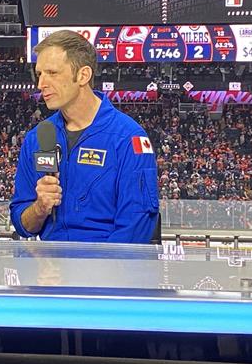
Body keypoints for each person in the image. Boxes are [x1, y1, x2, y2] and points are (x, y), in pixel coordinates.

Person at [10, 30, 158, 242]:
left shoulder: (128, 138)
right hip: (51, 268)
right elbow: (22, 224)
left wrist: (89, 270)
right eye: (39, 73)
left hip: (107, 270)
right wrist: (40, 208)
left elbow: (135, 229)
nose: (41, 84)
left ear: (83, 75)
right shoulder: (38, 138)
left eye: (52, 73)